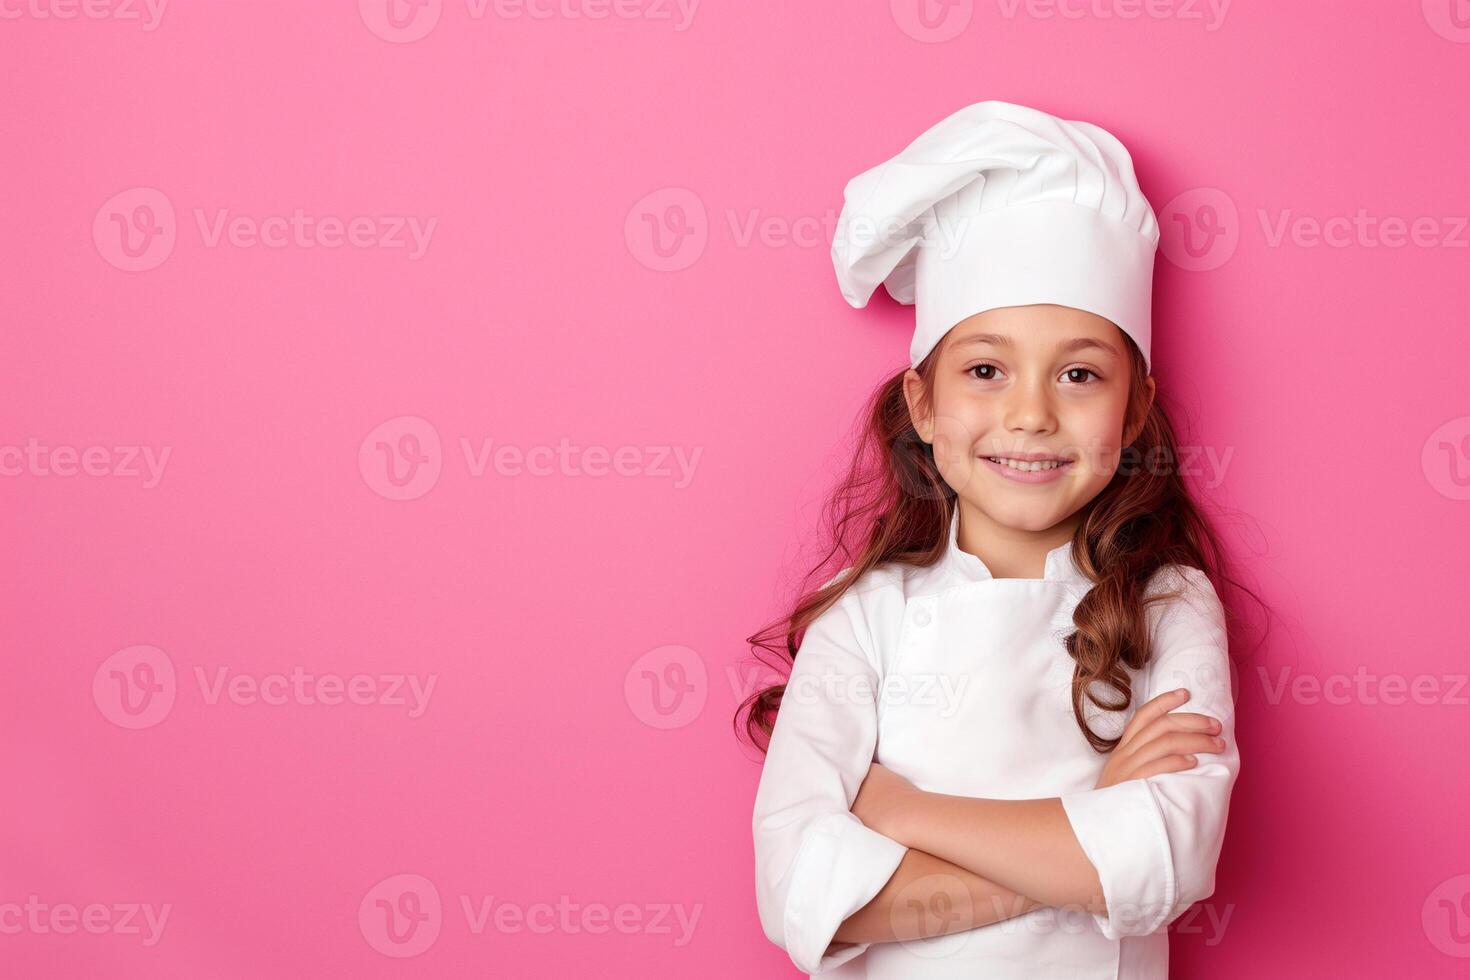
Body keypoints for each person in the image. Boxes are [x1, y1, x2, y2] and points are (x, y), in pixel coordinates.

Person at [743, 100, 1249, 978]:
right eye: (985, 369)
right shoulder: (864, 619)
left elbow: (1169, 856)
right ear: (924, 404)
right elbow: (798, 897)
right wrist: (1092, 821)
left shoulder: (1168, 604)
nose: (1030, 414)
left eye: (1080, 373)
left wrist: (903, 812)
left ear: (1133, 408)